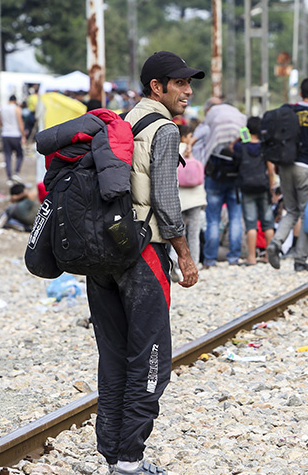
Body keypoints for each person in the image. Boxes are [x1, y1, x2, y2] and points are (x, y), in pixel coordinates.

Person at [87, 51, 201, 475]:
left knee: (114, 356)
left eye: (190, 83)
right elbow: (167, 203)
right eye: (180, 83)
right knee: (151, 358)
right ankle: (131, 460)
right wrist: (185, 256)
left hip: (101, 255)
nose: (188, 91)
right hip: (144, 253)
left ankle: (114, 455)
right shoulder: (164, 129)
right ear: (158, 87)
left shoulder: (118, 124)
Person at [266, 77, 308, 272]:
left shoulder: (288, 110)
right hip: (306, 169)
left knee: (291, 210)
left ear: (301, 93)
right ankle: (300, 260)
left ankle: (276, 242)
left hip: (285, 166)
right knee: (305, 214)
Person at [199, 99, 246, 267]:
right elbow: (247, 141)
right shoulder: (241, 118)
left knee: (213, 220)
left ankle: (210, 259)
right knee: (235, 218)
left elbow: (204, 143)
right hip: (235, 176)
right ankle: (234, 258)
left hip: (215, 176)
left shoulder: (212, 116)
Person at [233, 116, 275, 266]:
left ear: (248, 129)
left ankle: (251, 257)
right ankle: (269, 257)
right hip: (263, 187)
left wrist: (242, 136)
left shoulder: (241, 146)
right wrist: (272, 188)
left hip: (246, 187)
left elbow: (232, 147)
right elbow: (270, 170)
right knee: (268, 223)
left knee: (251, 224)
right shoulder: (265, 147)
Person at [176, 124, 205, 266]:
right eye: (189, 136)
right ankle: (195, 263)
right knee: (194, 235)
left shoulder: (173, 150)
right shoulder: (192, 151)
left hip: (180, 200)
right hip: (195, 199)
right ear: (183, 137)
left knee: (178, 236)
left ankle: (176, 265)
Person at [0, 95, 27, 183]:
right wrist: (23, 136)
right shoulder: (17, 108)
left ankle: (9, 177)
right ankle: (16, 172)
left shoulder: (2, 108)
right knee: (20, 155)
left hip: (5, 134)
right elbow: (20, 123)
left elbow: (0, 123)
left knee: (7, 156)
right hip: (15, 134)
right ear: (15, 101)